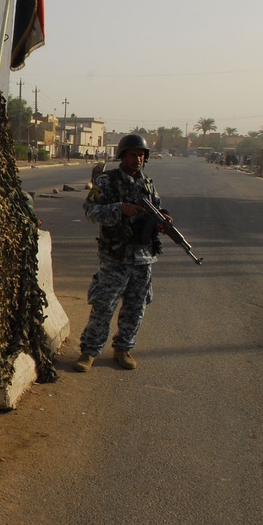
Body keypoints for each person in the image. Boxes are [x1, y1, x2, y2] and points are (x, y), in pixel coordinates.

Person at [74, 133, 170, 372]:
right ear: (122, 156)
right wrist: (120, 209)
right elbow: (90, 211)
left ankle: (123, 348)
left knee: (136, 306)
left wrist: (162, 221)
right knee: (104, 305)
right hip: (116, 256)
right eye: (133, 155)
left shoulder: (148, 184)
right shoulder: (106, 182)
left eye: (141, 155)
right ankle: (89, 351)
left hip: (143, 257)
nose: (138, 160)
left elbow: (155, 209)